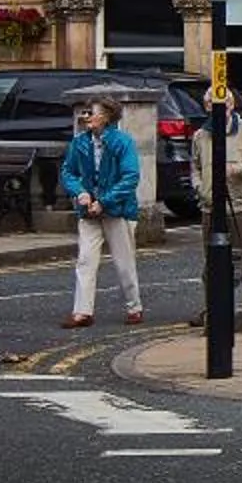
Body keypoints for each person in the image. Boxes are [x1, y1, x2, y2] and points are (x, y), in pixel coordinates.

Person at [59, 99, 143, 328]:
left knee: (124, 262)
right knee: (85, 260)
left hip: (117, 210)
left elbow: (130, 177)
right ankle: (82, 312)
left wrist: (104, 201)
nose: (86, 117)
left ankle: (134, 307)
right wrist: (80, 193)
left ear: (106, 117)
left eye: (91, 113)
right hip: (88, 211)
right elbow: (68, 172)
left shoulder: (122, 142)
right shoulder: (80, 143)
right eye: (85, 113)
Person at [188, 101, 242, 323]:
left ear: (231, 105)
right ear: (206, 107)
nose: (217, 108)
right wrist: (199, 187)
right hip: (210, 205)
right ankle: (212, 311)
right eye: (210, 104)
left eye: (223, 104)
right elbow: (195, 166)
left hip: (240, 204)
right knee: (212, 260)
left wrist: (237, 169)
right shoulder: (200, 135)